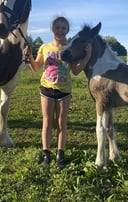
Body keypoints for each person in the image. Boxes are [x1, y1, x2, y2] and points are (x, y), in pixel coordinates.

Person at [23, 16, 91, 169]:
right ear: (52, 29)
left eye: (64, 28)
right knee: (47, 123)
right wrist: (29, 57)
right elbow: (36, 68)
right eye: (58, 27)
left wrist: (87, 55)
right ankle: (46, 155)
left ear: (67, 30)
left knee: (61, 124)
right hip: (47, 89)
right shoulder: (44, 47)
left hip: (64, 91)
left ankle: (60, 156)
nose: (60, 30)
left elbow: (75, 70)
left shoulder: (70, 49)